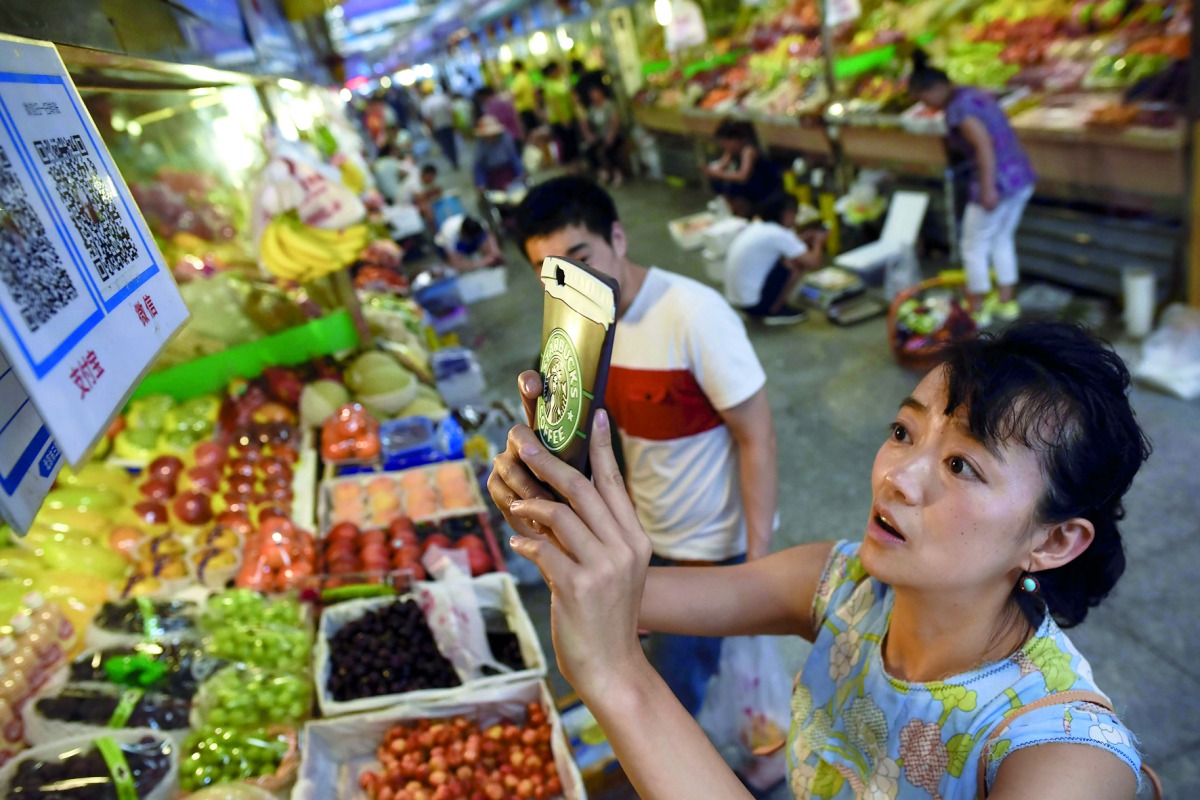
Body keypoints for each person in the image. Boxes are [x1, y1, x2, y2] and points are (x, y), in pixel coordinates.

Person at [489, 321, 1151, 799]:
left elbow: (613, 637)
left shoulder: (1062, 756)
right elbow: (622, 592)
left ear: (1055, 541)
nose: (899, 476)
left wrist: (617, 677)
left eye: (961, 465)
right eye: (902, 432)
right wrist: (555, 500)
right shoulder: (846, 585)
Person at [512, 177, 781, 716]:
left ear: (618, 235)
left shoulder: (694, 314)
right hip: (649, 540)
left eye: (582, 257)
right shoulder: (585, 335)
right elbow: (617, 446)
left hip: (711, 550)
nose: (576, 281)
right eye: (555, 274)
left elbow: (757, 435)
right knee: (653, 677)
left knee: (670, 697)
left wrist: (756, 568)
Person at [909, 50, 1036, 327]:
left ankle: (977, 308)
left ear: (935, 88)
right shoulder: (972, 93)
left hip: (997, 182)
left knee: (973, 246)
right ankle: (1006, 303)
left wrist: (989, 188)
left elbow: (983, 146)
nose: (926, 105)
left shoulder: (958, 109)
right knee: (1001, 239)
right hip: (1020, 176)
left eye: (923, 98)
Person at [725, 193, 826, 325]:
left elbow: (788, 245)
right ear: (787, 213)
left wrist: (803, 237)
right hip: (755, 306)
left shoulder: (759, 226)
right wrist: (819, 242)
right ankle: (774, 310)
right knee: (795, 264)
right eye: (795, 214)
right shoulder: (779, 234)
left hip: (738, 302)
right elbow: (813, 262)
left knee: (787, 259)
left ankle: (770, 305)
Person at [704, 117, 782, 218]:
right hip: (748, 186)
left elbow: (743, 176)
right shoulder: (731, 151)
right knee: (718, 184)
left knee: (731, 187)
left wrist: (719, 174)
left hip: (760, 187)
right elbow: (721, 167)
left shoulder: (748, 150)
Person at [580, 85, 624, 187]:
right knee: (589, 150)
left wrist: (611, 135)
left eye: (596, 93)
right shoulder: (592, 108)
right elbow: (585, 121)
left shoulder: (609, 105)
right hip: (601, 136)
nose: (594, 97)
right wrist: (588, 135)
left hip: (614, 134)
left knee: (609, 150)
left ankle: (617, 174)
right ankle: (602, 173)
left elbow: (615, 120)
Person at [472, 115, 525, 192]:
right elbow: (479, 166)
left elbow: (514, 158)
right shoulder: (481, 146)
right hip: (492, 177)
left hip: (508, 172)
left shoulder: (505, 139)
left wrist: (521, 172)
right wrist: (481, 183)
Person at [541, 62, 580, 166]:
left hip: (570, 115)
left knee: (573, 142)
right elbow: (554, 104)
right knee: (566, 144)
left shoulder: (561, 81)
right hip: (560, 120)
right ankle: (570, 167)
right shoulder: (549, 85)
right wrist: (563, 119)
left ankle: (576, 165)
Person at [435, 213, 503, 272]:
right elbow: (456, 263)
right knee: (454, 265)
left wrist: (495, 251)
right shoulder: (449, 233)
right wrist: (482, 263)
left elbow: (490, 236)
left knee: (486, 241)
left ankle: (489, 258)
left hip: (466, 238)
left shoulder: (478, 222)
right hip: (446, 245)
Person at [420, 84, 459, 170]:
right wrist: (455, 123)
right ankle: (455, 160)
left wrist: (431, 130)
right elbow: (452, 112)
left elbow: (427, 119)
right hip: (448, 125)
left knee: (445, 146)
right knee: (451, 144)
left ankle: (453, 161)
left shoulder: (426, 103)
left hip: (438, 128)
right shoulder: (443, 97)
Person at [510, 60, 540, 136]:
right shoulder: (527, 77)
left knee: (531, 132)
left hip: (524, 109)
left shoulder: (519, 79)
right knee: (536, 130)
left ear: (515, 68)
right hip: (531, 106)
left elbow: (515, 94)